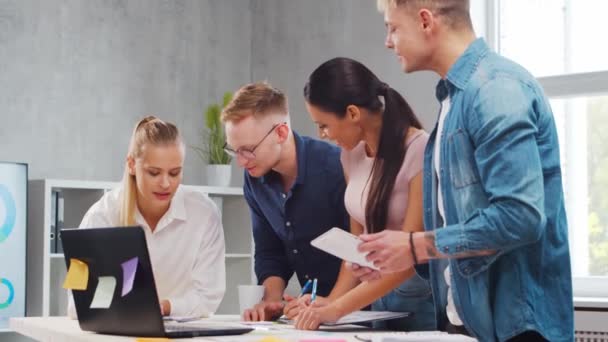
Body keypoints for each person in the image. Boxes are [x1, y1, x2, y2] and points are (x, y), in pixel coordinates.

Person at [351, 1, 573, 341]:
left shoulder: (495, 89)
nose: (388, 41)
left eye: (392, 28)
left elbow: (520, 217)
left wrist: (414, 246)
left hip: (516, 328)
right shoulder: (454, 99)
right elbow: (458, 232)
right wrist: (395, 258)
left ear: (425, 21)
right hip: (469, 322)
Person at [290, 57, 435, 331]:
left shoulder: (419, 149)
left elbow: (410, 256)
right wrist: (331, 302)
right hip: (373, 300)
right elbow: (356, 246)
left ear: (353, 113)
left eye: (324, 125)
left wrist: (338, 309)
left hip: (416, 301)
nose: (322, 135)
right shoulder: (351, 155)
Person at [68, 116, 225, 318]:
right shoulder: (100, 216)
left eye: (175, 173)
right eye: (154, 173)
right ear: (132, 165)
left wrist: (165, 307)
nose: (166, 183)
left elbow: (208, 297)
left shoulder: (204, 213)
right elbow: (75, 301)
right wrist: (122, 305)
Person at [221, 81, 349, 321]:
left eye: (248, 150)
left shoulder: (336, 167)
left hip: (362, 312)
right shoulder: (254, 179)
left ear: (280, 133)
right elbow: (270, 252)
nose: (241, 161)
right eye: (235, 151)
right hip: (312, 315)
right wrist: (271, 299)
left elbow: (358, 250)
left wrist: (334, 304)